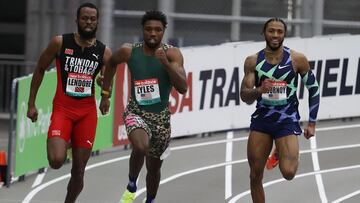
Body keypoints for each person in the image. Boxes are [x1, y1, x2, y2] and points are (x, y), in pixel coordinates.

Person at [26, 3, 111, 203]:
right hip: (63, 109)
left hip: (87, 113)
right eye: (85, 18)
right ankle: (68, 141)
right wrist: (31, 103)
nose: (88, 22)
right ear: (77, 20)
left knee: (79, 170)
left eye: (92, 19)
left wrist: (105, 94)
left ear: (97, 22)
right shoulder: (60, 43)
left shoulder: (104, 52)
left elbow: (107, 78)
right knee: (56, 161)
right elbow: (39, 68)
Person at [100, 10, 187, 203]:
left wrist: (166, 64)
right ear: (143, 30)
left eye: (157, 30)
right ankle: (131, 185)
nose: (153, 34)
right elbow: (112, 63)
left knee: (154, 169)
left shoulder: (172, 54)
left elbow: (182, 87)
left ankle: (150, 200)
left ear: (164, 31)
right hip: (136, 112)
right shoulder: (129, 51)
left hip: (161, 120)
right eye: (148, 29)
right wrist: (105, 94)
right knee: (140, 146)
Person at [240, 18, 320, 203]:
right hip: (262, 121)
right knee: (255, 175)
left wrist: (312, 123)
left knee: (289, 172)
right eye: (271, 31)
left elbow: (313, 89)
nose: (275, 35)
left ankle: (279, 150)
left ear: (284, 34)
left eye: (279, 32)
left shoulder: (297, 59)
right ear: (264, 33)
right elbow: (244, 95)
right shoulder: (253, 61)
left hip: (286, 120)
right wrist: (260, 90)